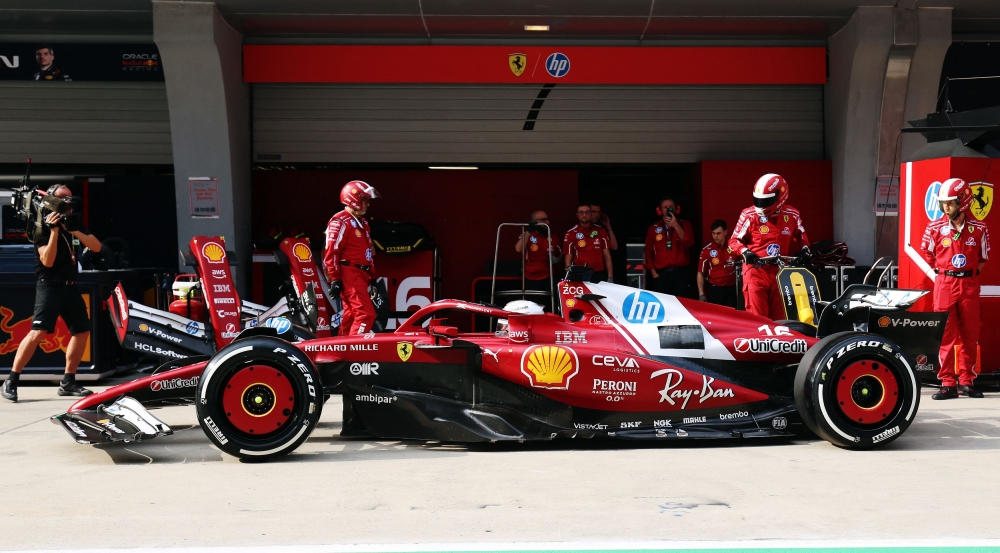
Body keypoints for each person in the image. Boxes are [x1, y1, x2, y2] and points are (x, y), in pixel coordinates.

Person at [2, 185, 100, 402]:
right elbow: (47, 260)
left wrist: (72, 229)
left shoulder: (73, 222)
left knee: (82, 331)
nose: (68, 205)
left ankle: (68, 381)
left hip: (70, 285)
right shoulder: (40, 225)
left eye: (69, 201)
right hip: (49, 285)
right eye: (63, 201)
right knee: (38, 332)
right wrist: (55, 231)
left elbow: (96, 247)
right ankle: (11, 379)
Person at [920, 178, 990, 399]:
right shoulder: (934, 227)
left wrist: (968, 275)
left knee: (970, 335)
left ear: (963, 201)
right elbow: (927, 254)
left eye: (950, 203)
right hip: (945, 285)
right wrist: (943, 273)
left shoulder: (980, 228)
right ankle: (948, 383)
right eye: (943, 203)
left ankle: (967, 381)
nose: (945, 207)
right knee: (945, 336)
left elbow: (983, 258)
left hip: (969, 284)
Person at [728, 173, 810, 320]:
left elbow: (802, 237)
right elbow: (733, 241)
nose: (761, 204)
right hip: (756, 272)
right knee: (758, 320)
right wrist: (745, 251)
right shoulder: (748, 215)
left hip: (781, 274)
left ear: (781, 196)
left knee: (781, 320)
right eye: (758, 199)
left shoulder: (792, 215)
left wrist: (805, 250)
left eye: (766, 200)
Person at [323, 180, 380, 335]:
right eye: (365, 201)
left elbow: (368, 252)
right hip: (350, 274)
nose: (368, 205)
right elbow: (331, 251)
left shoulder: (363, 223)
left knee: (350, 316)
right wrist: (335, 279)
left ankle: (341, 352)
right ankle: (354, 352)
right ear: (354, 199)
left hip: (361, 275)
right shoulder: (340, 221)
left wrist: (372, 277)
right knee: (365, 315)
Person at [644, 197, 695, 296]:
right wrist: (654, 274)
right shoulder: (652, 228)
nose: (668, 210)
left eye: (671, 207)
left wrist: (676, 225)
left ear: (676, 208)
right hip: (661, 275)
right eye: (665, 207)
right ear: (660, 210)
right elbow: (648, 253)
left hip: (681, 273)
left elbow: (689, 243)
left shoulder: (685, 224)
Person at [564, 203, 613, 283]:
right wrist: (568, 277)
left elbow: (607, 256)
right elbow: (568, 258)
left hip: (599, 272)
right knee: (581, 296)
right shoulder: (570, 233)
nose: (584, 215)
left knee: (600, 296)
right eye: (581, 212)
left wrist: (610, 277)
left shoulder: (601, 231)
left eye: (587, 212)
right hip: (579, 273)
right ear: (577, 214)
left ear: (591, 214)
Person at [514, 210, 561, 292]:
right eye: (544, 220)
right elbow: (518, 249)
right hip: (531, 277)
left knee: (553, 298)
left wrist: (557, 260)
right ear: (535, 222)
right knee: (533, 303)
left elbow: (561, 254)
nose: (547, 222)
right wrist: (529, 231)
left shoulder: (552, 235)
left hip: (549, 276)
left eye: (548, 219)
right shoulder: (526, 234)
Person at [697, 219, 738, 308]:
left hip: (732, 289)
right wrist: (701, 293)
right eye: (713, 233)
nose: (715, 236)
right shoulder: (707, 250)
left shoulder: (735, 247)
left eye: (718, 233)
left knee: (731, 318)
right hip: (715, 289)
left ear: (725, 232)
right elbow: (700, 272)